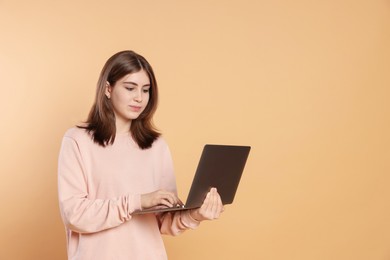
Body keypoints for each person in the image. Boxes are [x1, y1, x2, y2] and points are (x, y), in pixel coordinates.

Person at [57, 50, 224, 260]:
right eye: (130, 88)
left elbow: (164, 220)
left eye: (146, 90)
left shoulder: (157, 146)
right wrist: (138, 201)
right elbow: (75, 215)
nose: (139, 98)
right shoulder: (77, 141)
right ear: (108, 88)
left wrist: (196, 214)